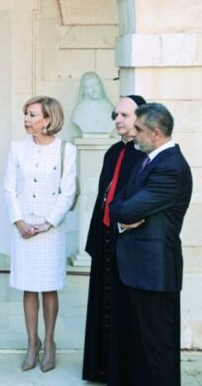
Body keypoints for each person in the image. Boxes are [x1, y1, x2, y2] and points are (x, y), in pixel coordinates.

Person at [110, 103, 192, 386]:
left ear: (155, 133)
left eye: (139, 129)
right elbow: (117, 202)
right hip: (139, 270)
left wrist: (124, 213)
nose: (133, 133)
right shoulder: (147, 160)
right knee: (142, 347)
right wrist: (123, 214)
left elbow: (126, 209)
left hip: (154, 272)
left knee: (158, 349)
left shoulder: (170, 168)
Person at [4, 96, 76, 373]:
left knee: (49, 286)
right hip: (23, 227)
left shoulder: (66, 150)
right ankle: (32, 343)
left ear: (48, 119)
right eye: (26, 114)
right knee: (28, 286)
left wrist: (47, 224)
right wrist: (19, 221)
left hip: (50, 229)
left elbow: (67, 192)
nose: (26, 119)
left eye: (32, 114)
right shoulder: (17, 147)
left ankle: (49, 342)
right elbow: (10, 187)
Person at [82, 95, 146, 383]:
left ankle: (121, 370)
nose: (118, 120)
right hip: (106, 236)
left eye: (124, 115)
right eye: (115, 115)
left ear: (140, 118)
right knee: (103, 302)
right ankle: (101, 368)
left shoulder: (145, 155)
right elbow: (103, 197)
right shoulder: (112, 151)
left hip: (129, 241)